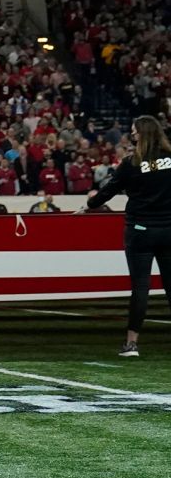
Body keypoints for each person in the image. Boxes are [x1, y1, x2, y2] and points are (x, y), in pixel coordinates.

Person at [82, 115, 171, 357]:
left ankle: (132, 343)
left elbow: (108, 191)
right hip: (168, 230)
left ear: (141, 133)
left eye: (133, 131)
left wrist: (89, 205)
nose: (131, 134)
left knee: (141, 288)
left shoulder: (132, 163)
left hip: (141, 231)